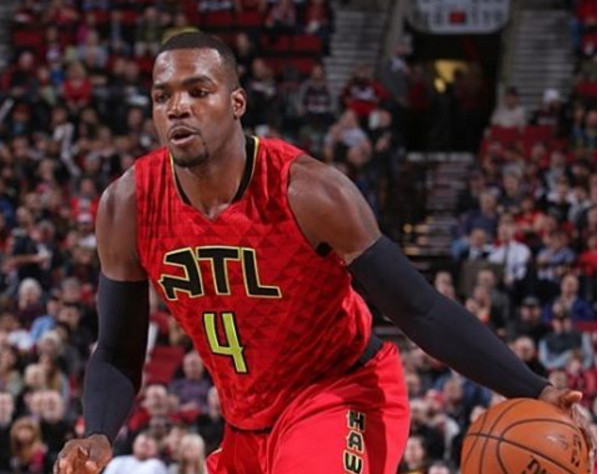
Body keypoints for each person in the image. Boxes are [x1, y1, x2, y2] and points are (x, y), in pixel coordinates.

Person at [55, 31, 592, 474]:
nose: (178, 108)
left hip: (341, 394)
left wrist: (533, 388)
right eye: (163, 96)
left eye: (199, 91)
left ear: (237, 103)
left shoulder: (309, 192)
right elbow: (117, 350)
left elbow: (420, 309)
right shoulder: (127, 206)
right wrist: (98, 434)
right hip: (245, 424)